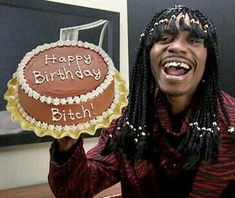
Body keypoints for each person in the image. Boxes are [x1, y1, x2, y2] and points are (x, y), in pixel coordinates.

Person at [48, 5, 235, 198]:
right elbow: (75, 190)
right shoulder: (127, 123)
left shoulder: (232, 123)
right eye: (163, 38)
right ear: (148, 55)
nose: (177, 47)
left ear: (209, 57)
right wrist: (66, 144)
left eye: (194, 39)